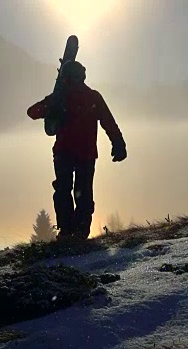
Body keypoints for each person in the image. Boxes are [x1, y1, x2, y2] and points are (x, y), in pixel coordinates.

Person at [26, 61, 127, 241]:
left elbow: (32, 112)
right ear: (82, 77)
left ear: (65, 78)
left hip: (63, 153)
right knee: (84, 192)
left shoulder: (59, 97)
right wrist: (118, 143)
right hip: (86, 155)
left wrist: (52, 108)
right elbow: (108, 122)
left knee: (64, 190)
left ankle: (66, 232)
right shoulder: (93, 97)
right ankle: (80, 233)